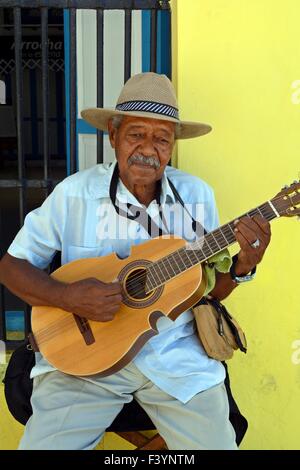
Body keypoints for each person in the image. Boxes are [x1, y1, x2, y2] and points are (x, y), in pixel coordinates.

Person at [0, 72, 271, 450]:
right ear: (113, 135)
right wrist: (68, 298)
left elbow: (207, 291)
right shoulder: (75, 193)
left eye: (161, 139)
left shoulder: (195, 196)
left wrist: (244, 263)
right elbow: (12, 266)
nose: (148, 148)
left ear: (172, 146)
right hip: (84, 362)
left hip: (176, 360)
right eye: (135, 134)